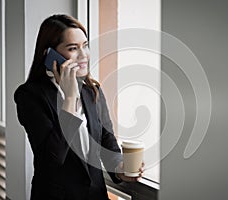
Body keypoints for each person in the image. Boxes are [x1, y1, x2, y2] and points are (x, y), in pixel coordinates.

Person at [14, 14, 143, 200]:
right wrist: (70, 99)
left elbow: (107, 142)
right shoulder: (30, 95)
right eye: (73, 48)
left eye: (85, 45)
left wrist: (120, 169)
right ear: (50, 54)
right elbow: (52, 158)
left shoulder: (92, 91)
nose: (84, 55)